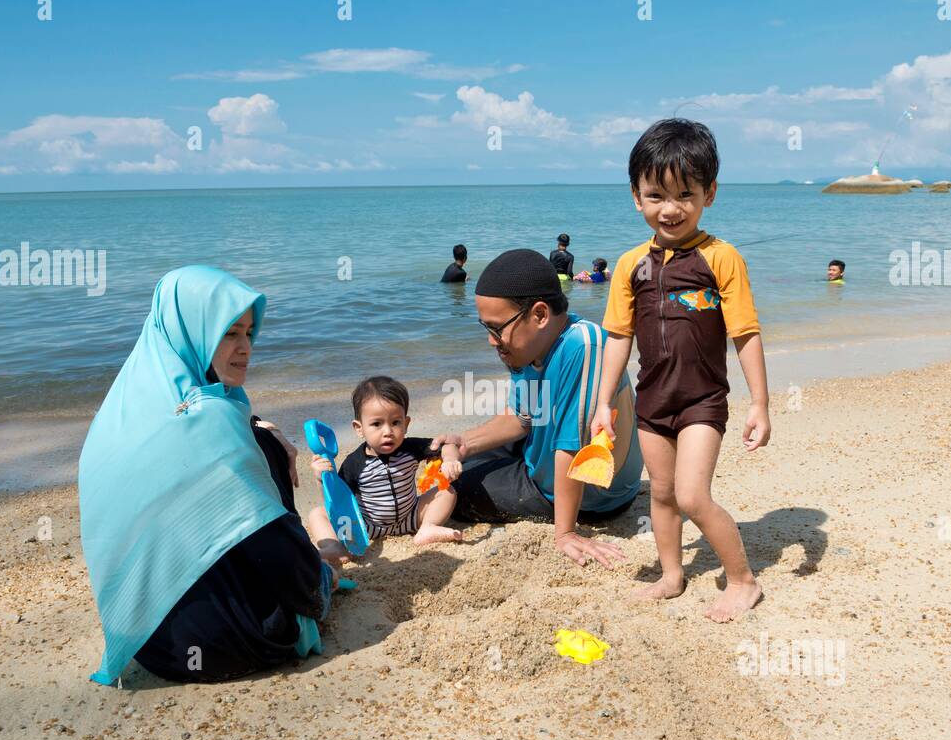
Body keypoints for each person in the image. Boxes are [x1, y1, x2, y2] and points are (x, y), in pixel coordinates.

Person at [80, 265, 336, 685]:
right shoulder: (213, 419)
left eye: (249, 333)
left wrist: (253, 429)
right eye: (229, 333)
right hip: (234, 642)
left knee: (254, 438)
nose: (245, 349)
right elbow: (273, 547)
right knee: (264, 452)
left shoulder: (124, 411)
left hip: (147, 644)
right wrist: (319, 581)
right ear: (194, 332)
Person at [592, 118, 771, 622]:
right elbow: (618, 338)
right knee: (664, 494)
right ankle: (672, 575)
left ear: (709, 194)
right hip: (652, 400)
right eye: (656, 196)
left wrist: (759, 403)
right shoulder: (630, 266)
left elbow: (745, 333)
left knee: (693, 495)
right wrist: (605, 403)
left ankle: (742, 579)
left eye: (685, 195)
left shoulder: (721, 258)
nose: (670, 209)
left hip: (701, 400)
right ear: (636, 197)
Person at [431, 248, 643, 567]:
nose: (491, 340)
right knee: (446, 459)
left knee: (455, 487)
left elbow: (571, 446)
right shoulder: (528, 347)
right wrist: (466, 442)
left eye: (496, 328)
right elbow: (523, 417)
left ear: (540, 315)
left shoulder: (584, 345)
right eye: (485, 328)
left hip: (589, 495)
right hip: (541, 454)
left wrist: (565, 534)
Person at [308, 375, 464, 553]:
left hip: (411, 517)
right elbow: (337, 500)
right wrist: (322, 479)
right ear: (359, 428)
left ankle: (428, 527)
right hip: (368, 526)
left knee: (447, 491)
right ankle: (334, 546)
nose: (388, 431)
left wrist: (451, 459)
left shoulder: (410, 448)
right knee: (318, 514)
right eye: (376, 424)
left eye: (396, 422)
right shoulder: (354, 463)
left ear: (406, 424)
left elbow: (447, 445)